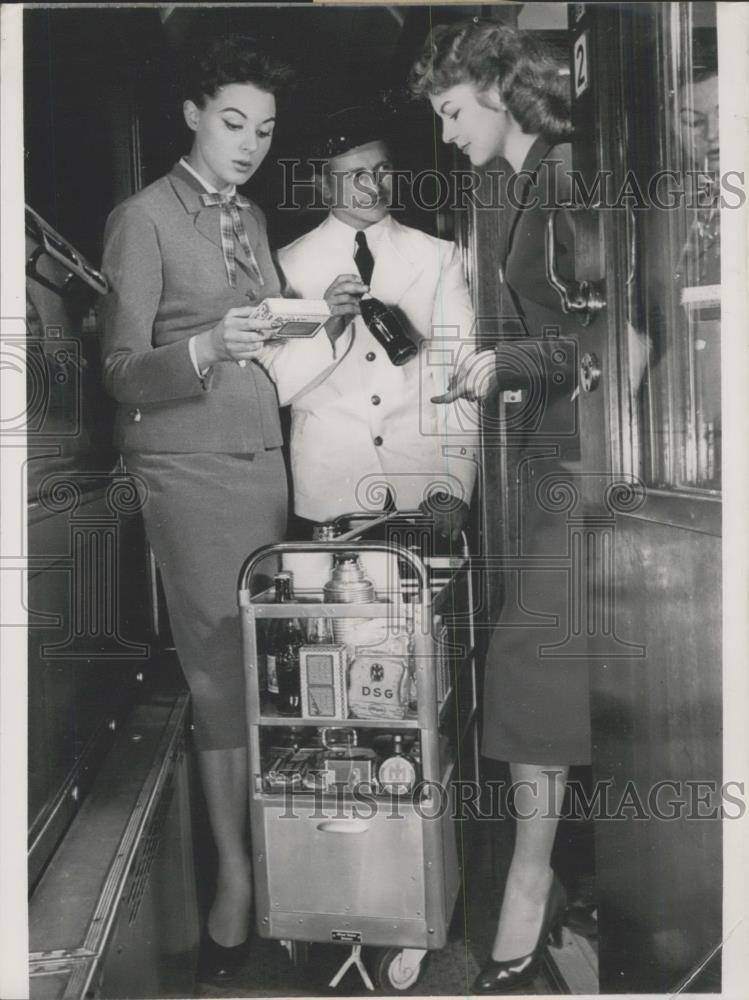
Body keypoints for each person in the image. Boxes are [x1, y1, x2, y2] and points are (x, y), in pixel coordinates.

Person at [100, 35, 357, 985]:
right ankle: (236, 885)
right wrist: (209, 347)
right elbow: (121, 372)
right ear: (192, 117)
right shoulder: (143, 219)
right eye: (233, 123)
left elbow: (265, 341)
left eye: (265, 129)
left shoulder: (248, 213)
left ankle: (271, 875)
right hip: (188, 473)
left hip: (258, 465)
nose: (249, 144)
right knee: (220, 675)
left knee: (264, 674)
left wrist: (317, 312)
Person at [411, 20, 588, 993]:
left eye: (448, 111)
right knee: (532, 679)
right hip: (541, 462)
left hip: (582, 466)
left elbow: (611, 335)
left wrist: (501, 361)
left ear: (490, 89)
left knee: (525, 675)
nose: (442, 133)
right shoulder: (503, 186)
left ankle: (533, 881)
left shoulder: (561, 175)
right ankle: (552, 879)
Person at [277, 108, 478, 542]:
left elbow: (464, 372)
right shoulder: (286, 267)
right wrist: (326, 326)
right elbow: (277, 386)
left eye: (382, 170)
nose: (374, 187)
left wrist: (456, 482)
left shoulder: (438, 257)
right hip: (332, 493)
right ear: (324, 185)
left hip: (425, 490)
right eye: (355, 176)